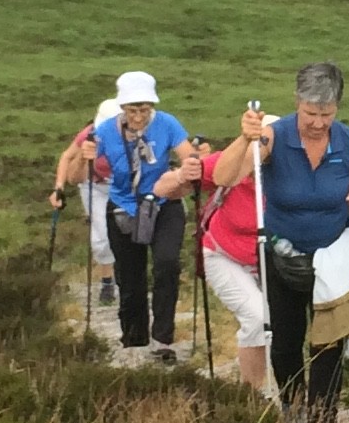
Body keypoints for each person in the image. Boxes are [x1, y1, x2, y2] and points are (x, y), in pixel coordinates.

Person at [229, 62, 349, 423]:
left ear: (337, 109)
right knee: (286, 341)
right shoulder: (272, 136)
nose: (318, 123)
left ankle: (322, 420)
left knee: (329, 341)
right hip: (282, 255)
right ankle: (292, 404)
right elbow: (227, 175)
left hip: (332, 256)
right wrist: (245, 139)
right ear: (297, 102)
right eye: (310, 113)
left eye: (327, 114)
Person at [91, 72, 190, 354]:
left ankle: (163, 340)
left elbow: (189, 157)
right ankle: (134, 341)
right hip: (124, 207)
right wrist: (85, 157)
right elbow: (82, 172)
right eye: (132, 110)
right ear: (122, 108)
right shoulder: (106, 131)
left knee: (167, 265)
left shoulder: (167, 123)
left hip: (163, 204)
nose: (138, 117)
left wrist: (184, 174)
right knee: (130, 277)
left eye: (144, 110)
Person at [196, 120, 273, 391]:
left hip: (269, 261)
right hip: (223, 255)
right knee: (256, 316)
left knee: (276, 324)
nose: (262, 149)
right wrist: (179, 178)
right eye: (258, 142)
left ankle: (276, 390)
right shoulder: (232, 161)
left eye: (267, 143)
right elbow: (190, 178)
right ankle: (253, 395)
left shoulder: (288, 173)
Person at [49, 105, 117, 307]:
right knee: (101, 237)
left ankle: (129, 277)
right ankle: (107, 281)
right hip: (94, 186)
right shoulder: (89, 135)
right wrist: (58, 188)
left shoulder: (138, 134)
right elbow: (67, 157)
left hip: (125, 186)